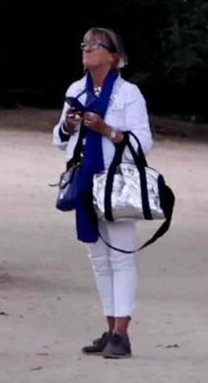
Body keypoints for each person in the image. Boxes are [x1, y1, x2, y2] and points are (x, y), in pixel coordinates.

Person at [51, 24, 158, 360]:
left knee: (121, 256)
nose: (87, 48)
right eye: (84, 43)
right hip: (85, 182)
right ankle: (110, 328)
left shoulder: (128, 94)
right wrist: (68, 125)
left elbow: (144, 143)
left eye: (95, 44)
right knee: (98, 259)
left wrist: (108, 131)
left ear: (114, 56)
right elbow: (58, 138)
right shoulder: (75, 90)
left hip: (115, 183)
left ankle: (122, 334)